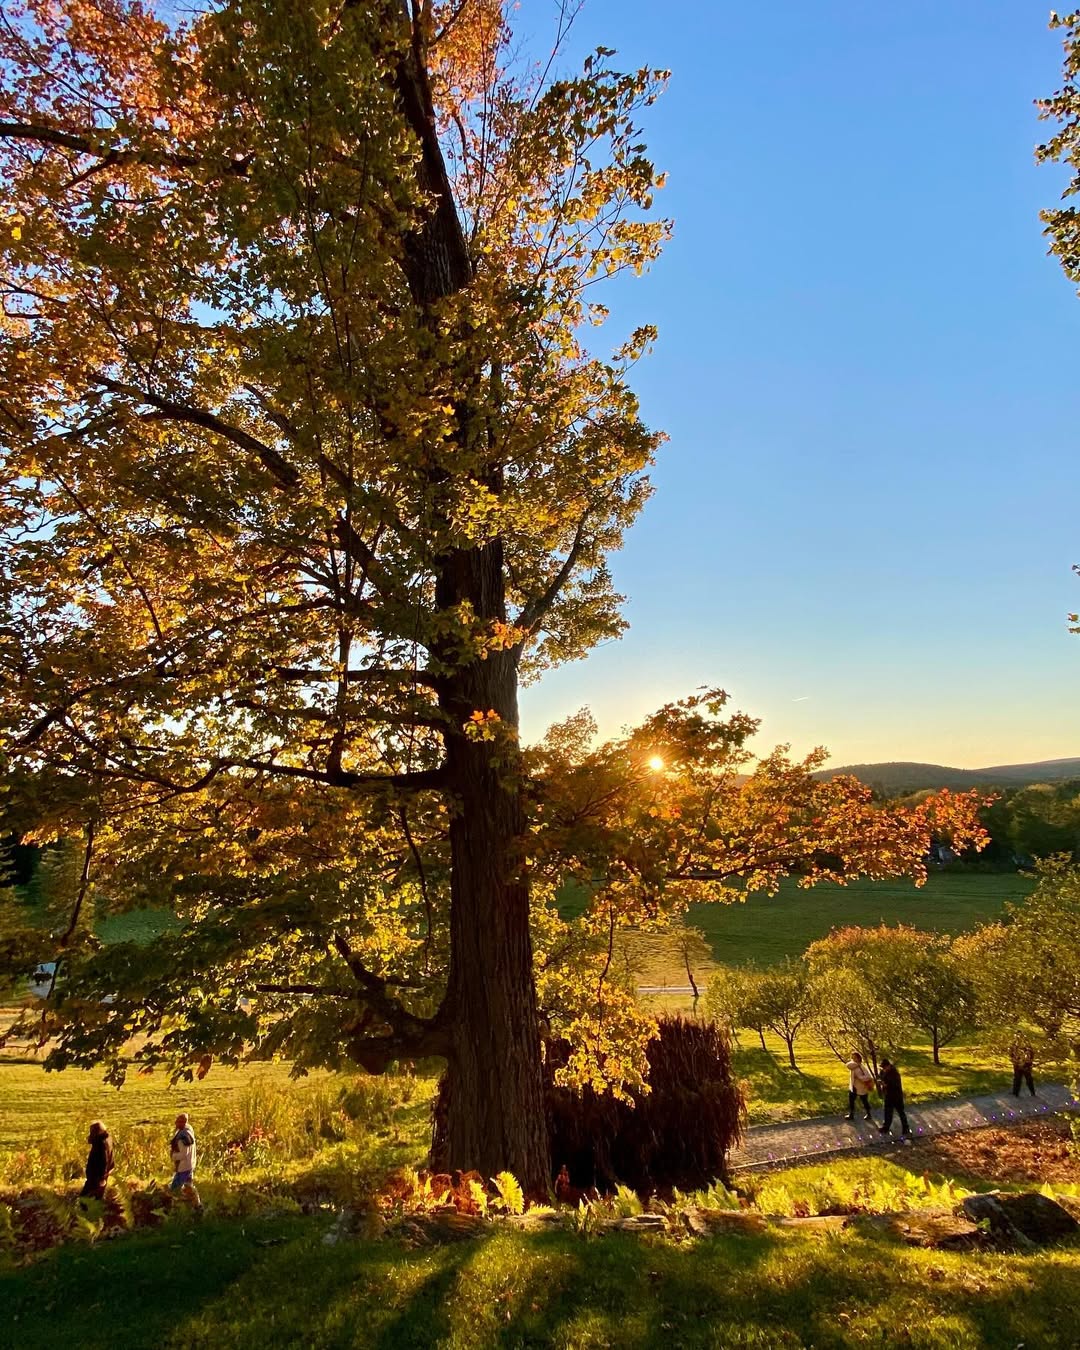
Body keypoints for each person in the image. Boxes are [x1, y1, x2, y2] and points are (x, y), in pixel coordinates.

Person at [169, 1112, 201, 1205]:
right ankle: (197, 1206)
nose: (175, 1123)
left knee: (174, 1189)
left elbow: (183, 1154)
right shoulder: (189, 1130)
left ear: (183, 1123)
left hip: (184, 1167)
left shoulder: (181, 1139)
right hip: (191, 1164)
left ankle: (179, 1206)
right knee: (189, 1187)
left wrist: (173, 1156)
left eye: (178, 1122)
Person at [79, 1121, 113, 1200]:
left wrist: (102, 1178)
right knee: (95, 1200)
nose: (91, 1134)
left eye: (92, 1132)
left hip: (96, 1179)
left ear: (97, 1132)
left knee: (83, 1199)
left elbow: (105, 1160)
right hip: (99, 1177)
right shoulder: (107, 1139)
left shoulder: (101, 1143)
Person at [877, 1058, 910, 1138]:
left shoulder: (895, 1073)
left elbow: (895, 1085)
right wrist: (881, 1082)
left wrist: (885, 1085)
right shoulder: (883, 1072)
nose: (883, 1069)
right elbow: (881, 1077)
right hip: (888, 1095)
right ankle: (886, 1127)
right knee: (887, 1112)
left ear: (888, 1066)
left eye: (884, 1068)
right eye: (882, 1068)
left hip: (896, 1096)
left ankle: (906, 1128)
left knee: (901, 1112)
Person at [844, 1052, 875, 1122]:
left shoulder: (862, 1067)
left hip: (862, 1087)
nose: (853, 1059)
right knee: (851, 1100)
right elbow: (848, 1065)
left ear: (859, 1058)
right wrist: (856, 1064)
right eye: (852, 1057)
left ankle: (869, 1114)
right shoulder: (854, 1065)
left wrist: (859, 1077)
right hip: (853, 1086)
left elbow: (868, 1077)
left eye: (855, 1057)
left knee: (864, 1101)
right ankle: (851, 1114)